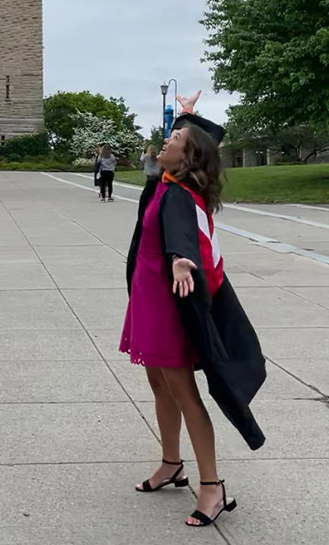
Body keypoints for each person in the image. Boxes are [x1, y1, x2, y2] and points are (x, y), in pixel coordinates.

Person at [119, 91, 266, 528]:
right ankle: (171, 464)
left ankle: (212, 486)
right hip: (148, 300)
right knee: (159, 386)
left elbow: (183, 233)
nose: (165, 141)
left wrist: (181, 257)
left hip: (167, 305)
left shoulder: (181, 195)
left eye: (175, 137)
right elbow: (161, 179)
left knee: (183, 392)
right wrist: (184, 116)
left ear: (189, 153)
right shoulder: (163, 184)